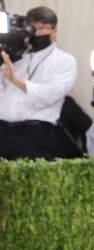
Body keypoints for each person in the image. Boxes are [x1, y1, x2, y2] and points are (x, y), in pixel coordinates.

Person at [0, 6, 77, 160]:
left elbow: (51, 94)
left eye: (41, 28)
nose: (35, 33)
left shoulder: (65, 60)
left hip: (35, 135)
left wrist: (16, 81)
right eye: (31, 28)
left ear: (54, 31)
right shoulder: (15, 56)